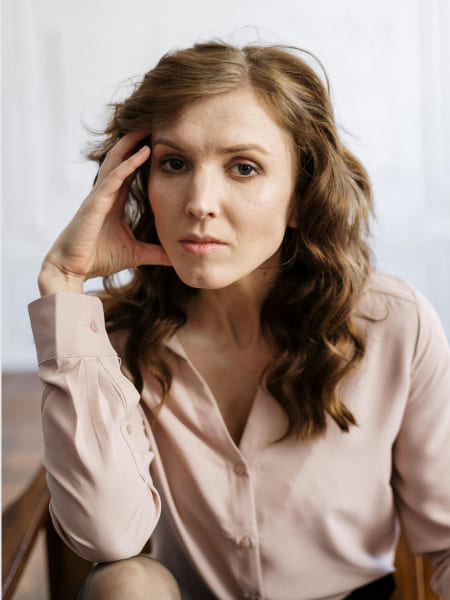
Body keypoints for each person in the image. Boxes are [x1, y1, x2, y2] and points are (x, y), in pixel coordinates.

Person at [28, 41, 450, 600]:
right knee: (126, 581)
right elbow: (105, 535)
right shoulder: (109, 341)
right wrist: (64, 282)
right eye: (174, 164)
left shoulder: (394, 325)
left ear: (300, 196)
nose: (200, 202)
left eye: (243, 168)